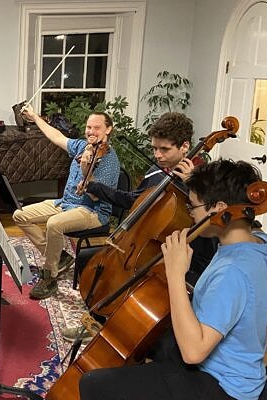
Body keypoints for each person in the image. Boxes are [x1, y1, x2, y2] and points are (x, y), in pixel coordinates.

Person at [77, 159, 267, 400]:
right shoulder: (266, 244)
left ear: (219, 209)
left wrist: (175, 274)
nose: (190, 214)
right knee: (150, 337)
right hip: (244, 368)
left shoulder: (231, 271)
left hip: (223, 385)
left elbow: (193, 353)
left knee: (94, 384)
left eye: (193, 206)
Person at [62, 112, 218, 341]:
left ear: (185, 146)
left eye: (164, 150)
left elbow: (212, 223)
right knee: (91, 261)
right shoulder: (157, 172)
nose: (157, 155)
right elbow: (131, 200)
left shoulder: (205, 178)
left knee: (129, 278)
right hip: (147, 244)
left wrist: (194, 187)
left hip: (185, 256)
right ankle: (97, 321)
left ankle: (127, 331)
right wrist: (93, 186)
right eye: (154, 148)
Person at [17, 106, 120, 300]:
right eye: (88, 127)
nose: (90, 131)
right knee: (20, 215)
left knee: (54, 224)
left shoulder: (110, 162)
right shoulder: (83, 147)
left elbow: (97, 197)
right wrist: (34, 117)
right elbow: (56, 136)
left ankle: (49, 277)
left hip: (92, 211)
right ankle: (61, 257)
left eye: (96, 128)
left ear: (108, 129)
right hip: (65, 203)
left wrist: (84, 170)